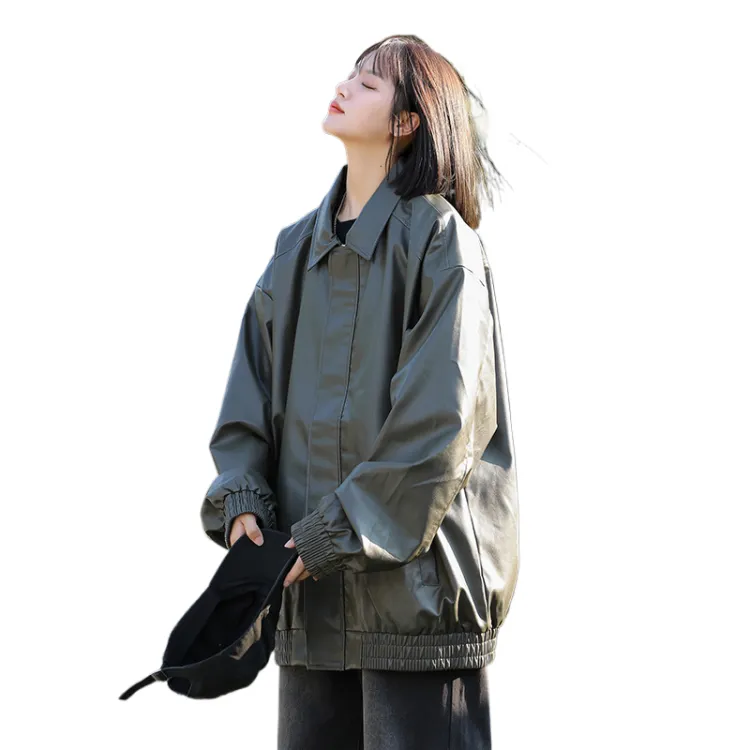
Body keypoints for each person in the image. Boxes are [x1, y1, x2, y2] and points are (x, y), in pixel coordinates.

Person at [200, 34, 520, 750]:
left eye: (370, 83)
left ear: (406, 122)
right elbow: (247, 402)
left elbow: (439, 428)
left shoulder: (442, 244)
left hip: (417, 610)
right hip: (310, 604)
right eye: (350, 73)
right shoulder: (293, 253)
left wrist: (328, 536)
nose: (345, 85)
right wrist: (244, 500)